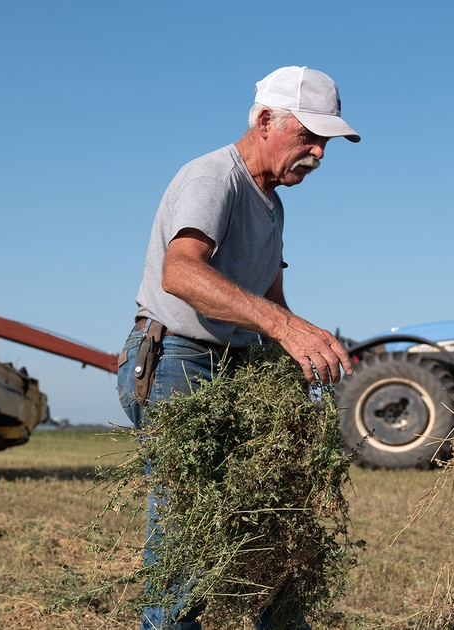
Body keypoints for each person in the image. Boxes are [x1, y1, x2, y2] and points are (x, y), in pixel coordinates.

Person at [117, 66, 359, 630]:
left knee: (270, 516)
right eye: (310, 136)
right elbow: (181, 272)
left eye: (326, 142)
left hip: (232, 365)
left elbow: (270, 299)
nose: (320, 153)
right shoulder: (214, 178)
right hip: (177, 359)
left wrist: (307, 339)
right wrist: (281, 327)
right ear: (265, 120)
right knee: (188, 529)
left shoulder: (273, 204)